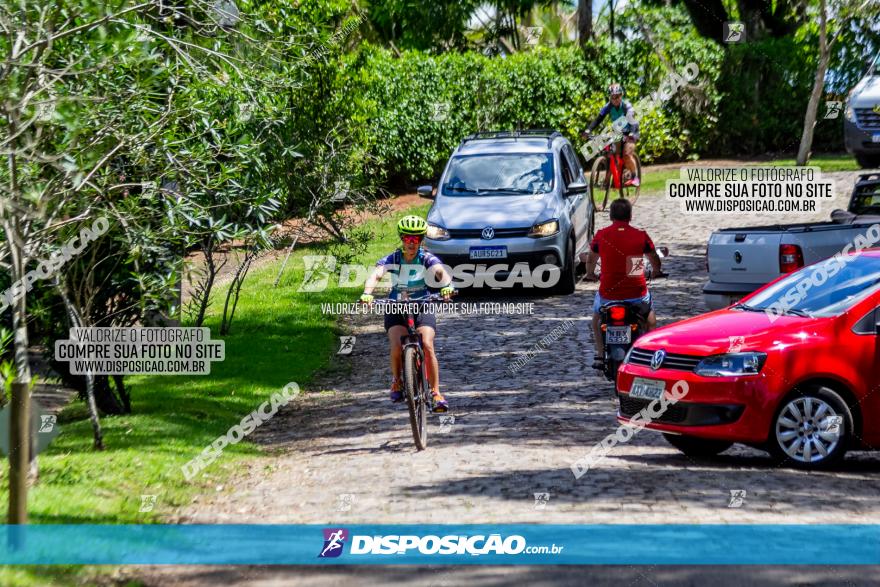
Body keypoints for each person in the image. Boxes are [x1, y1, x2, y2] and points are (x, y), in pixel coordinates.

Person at [360, 215, 455, 412]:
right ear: (402, 239)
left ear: (421, 240)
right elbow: (376, 274)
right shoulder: (393, 258)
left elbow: (440, 271)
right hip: (396, 305)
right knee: (396, 345)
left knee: (427, 345)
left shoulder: (426, 257)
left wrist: (447, 286)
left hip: (422, 304)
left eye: (416, 239)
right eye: (407, 239)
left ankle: (436, 392)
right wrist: (367, 293)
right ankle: (397, 381)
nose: (411, 243)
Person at [584, 198, 661, 370]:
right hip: (636, 295)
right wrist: (656, 271)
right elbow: (654, 257)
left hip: (608, 294)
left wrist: (590, 274)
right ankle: (647, 354)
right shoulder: (640, 236)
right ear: (630, 216)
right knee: (650, 320)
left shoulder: (601, 235)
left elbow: (590, 259)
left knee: (596, 320)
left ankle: (599, 353)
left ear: (610, 216)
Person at [583, 83, 641, 187]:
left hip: (631, 130)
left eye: (617, 96)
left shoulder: (626, 106)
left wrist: (631, 133)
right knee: (612, 153)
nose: (615, 99)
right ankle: (613, 179)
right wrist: (588, 130)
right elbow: (598, 119)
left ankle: (634, 176)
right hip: (618, 132)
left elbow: (632, 120)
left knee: (627, 154)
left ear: (621, 95)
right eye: (612, 97)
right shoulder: (608, 106)